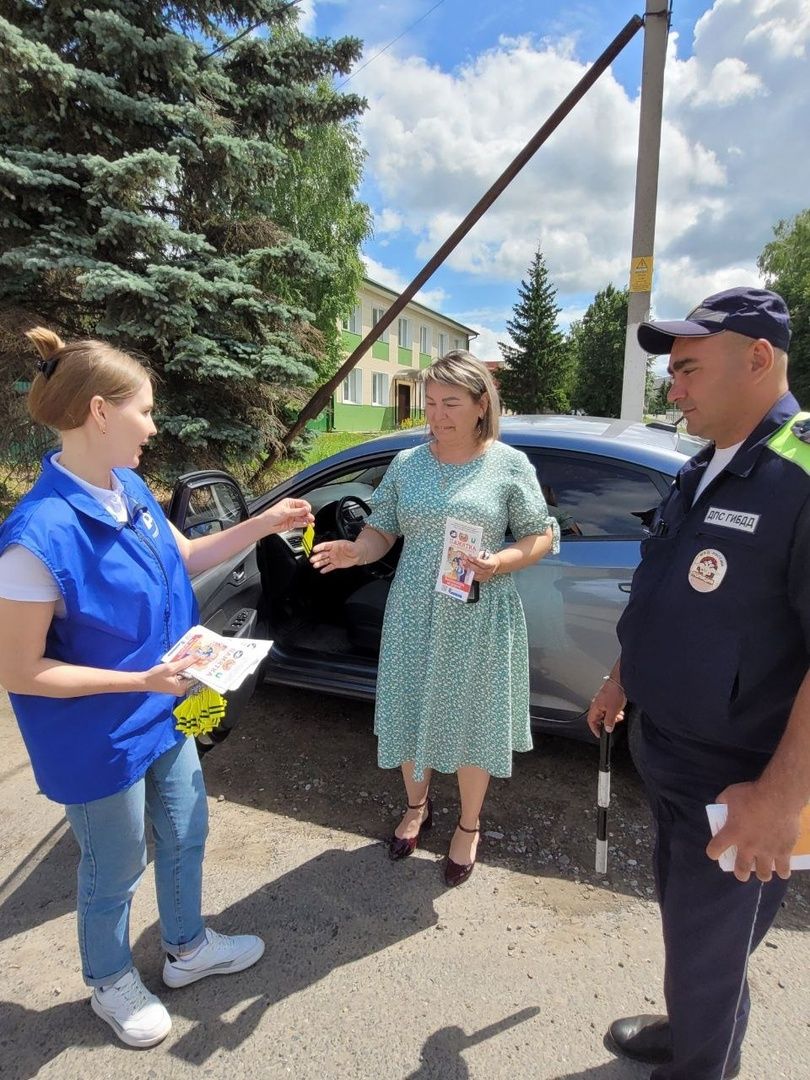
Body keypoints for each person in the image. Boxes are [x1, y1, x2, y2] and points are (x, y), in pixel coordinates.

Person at [0, 328, 313, 1048]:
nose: (153, 425)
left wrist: (265, 521)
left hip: (168, 706)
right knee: (114, 863)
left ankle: (186, 948)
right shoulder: (34, 537)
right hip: (98, 734)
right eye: (145, 410)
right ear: (100, 413)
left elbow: (191, 554)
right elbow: (19, 670)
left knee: (187, 827)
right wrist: (141, 677)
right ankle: (109, 979)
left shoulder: (130, 487)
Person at [587, 288, 808, 1080]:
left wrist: (781, 800)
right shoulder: (705, 464)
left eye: (686, 369)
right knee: (694, 935)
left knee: (709, 952)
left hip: (741, 779)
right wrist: (622, 677)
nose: (671, 387)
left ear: (757, 359)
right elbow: (666, 592)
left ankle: (697, 1062)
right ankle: (691, 1031)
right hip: (672, 751)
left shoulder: (804, 474)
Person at [310, 351, 559, 886]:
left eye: (451, 403)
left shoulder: (508, 465)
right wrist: (359, 551)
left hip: (479, 611)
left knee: (473, 718)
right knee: (409, 707)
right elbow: (383, 531)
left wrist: (501, 562)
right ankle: (417, 807)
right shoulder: (407, 465)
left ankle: (469, 824)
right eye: (429, 403)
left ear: (479, 406)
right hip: (413, 612)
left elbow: (542, 534)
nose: (437, 415)